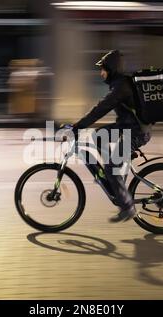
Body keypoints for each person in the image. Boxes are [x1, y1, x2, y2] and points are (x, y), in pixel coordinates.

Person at [67, 50, 152, 223]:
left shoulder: (121, 87)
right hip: (127, 127)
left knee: (111, 167)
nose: (101, 73)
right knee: (98, 136)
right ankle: (112, 176)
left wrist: (79, 125)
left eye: (103, 69)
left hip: (136, 132)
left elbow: (101, 108)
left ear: (111, 69)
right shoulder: (119, 84)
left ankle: (127, 207)